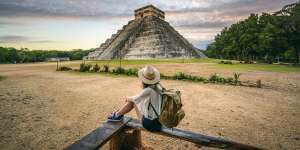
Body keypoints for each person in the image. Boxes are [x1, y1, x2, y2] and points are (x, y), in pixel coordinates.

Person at [107, 65, 162, 132]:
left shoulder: (149, 90)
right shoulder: (159, 87)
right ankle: (118, 114)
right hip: (159, 122)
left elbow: (135, 99)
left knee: (132, 102)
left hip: (150, 124)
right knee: (134, 101)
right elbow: (140, 98)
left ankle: (117, 115)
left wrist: (127, 98)